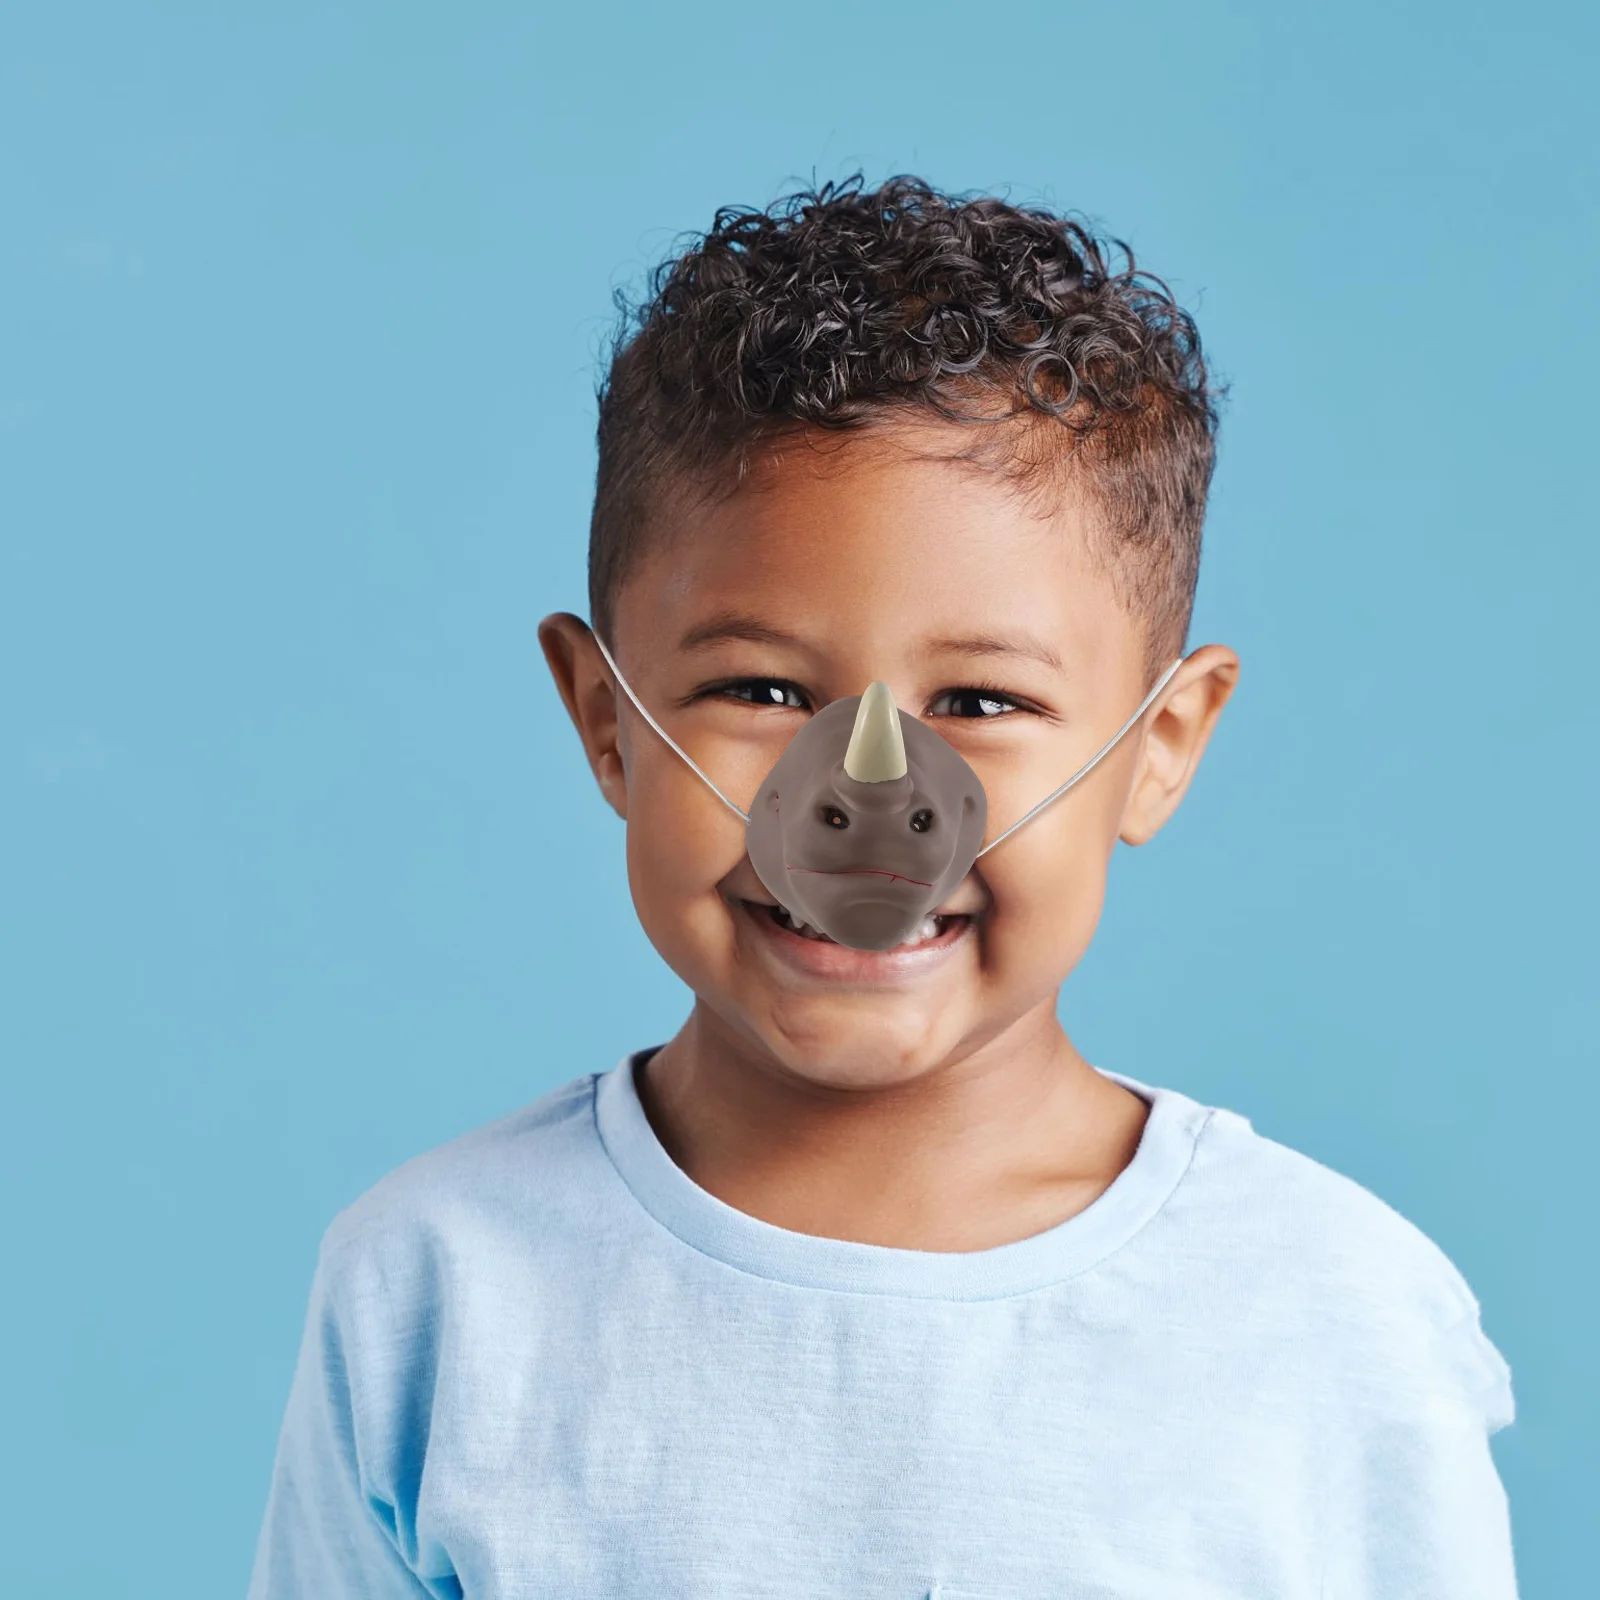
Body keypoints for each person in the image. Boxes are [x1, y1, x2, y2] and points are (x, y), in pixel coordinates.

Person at [247, 174, 1519, 1598]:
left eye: (979, 699)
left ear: (1157, 750)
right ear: (608, 722)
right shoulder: (434, 1293)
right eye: (761, 687)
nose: (863, 814)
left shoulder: (1332, 1317)